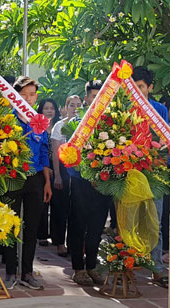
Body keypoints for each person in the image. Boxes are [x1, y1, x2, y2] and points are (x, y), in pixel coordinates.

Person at [2, 76, 52, 290]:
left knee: (31, 227)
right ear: (15, 97)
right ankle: (10, 272)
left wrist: (47, 183)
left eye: (32, 95)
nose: (28, 99)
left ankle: (28, 271)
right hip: (13, 179)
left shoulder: (39, 122)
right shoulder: (7, 120)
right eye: (23, 95)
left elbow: (44, 154)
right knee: (11, 226)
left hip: (36, 179)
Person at [68, 81, 109, 286]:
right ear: (86, 98)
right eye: (94, 96)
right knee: (78, 225)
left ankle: (92, 266)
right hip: (81, 182)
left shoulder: (112, 123)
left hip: (103, 184)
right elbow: (70, 155)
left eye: (101, 95)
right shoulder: (77, 122)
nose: (97, 99)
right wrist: (88, 174)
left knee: (97, 226)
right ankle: (78, 268)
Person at [133, 66, 169, 289]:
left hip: (155, 172)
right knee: (130, 219)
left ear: (150, 87)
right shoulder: (125, 109)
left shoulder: (160, 110)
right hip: (129, 171)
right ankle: (128, 263)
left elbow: (166, 140)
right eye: (133, 88)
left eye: (141, 87)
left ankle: (156, 268)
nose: (137, 92)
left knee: (154, 219)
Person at [49, 95, 82, 257]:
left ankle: (74, 243)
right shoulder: (59, 126)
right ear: (65, 107)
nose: (75, 108)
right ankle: (59, 242)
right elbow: (55, 152)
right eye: (72, 105)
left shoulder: (84, 125)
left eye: (78, 105)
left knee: (76, 210)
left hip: (79, 171)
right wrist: (57, 176)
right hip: (62, 168)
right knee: (60, 208)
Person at [36, 98, 62, 247]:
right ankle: (42, 234)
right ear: (41, 110)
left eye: (52, 108)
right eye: (46, 108)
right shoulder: (37, 126)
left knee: (58, 204)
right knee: (43, 203)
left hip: (58, 167)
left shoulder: (59, 126)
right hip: (42, 168)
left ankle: (57, 237)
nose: (49, 111)